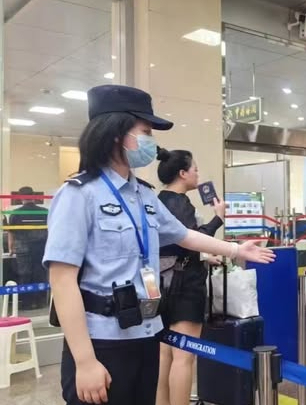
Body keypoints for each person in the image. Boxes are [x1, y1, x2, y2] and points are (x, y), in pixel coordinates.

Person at [42, 84, 275, 405]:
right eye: (145, 132)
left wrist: (236, 250)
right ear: (116, 134)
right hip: (102, 341)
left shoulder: (144, 195)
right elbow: (62, 280)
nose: (151, 143)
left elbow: (183, 235)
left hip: (146, 334)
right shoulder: (78, 195)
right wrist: (84, 362)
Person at [154, 148, 226, 405]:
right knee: (184, 356)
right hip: (186, 287)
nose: (198, 174)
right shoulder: (181, 203)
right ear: (183, 173)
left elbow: (171, 246)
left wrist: (204, 257)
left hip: (162, 283)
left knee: (164, 355)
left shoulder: (158, 200)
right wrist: (218, 218)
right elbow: (191, 239)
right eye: (195, 169)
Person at [7, 186, 49, 310]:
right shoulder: (44, 212)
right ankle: (40, 302)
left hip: (23, 248)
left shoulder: (16, 213)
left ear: (21, 198)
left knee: (24, 274)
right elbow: (51, 230)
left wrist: (11, 248)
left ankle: (26, 303)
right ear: (34, 196)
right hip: (41, 247)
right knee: (39, 273)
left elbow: (11, 232)